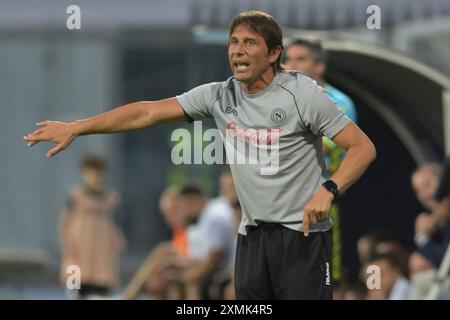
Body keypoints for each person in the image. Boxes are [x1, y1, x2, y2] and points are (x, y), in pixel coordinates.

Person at [24, 11, 376, 299]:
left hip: (303, 237)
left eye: (249, 43)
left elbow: (363, 148)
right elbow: (147, 112)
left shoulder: (302, 93)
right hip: (252, 238)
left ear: (273, 54)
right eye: (234, 42)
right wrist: (78, 127)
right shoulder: (219, 96)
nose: (237, 50)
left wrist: (327, 190)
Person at [284, 38, 358, 284]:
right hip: (288, 201)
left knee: (326, 279)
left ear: (319, 66)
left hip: (326, 200)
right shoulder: (282, 101)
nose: (292, 65)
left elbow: (320, 147)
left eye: (300, 59)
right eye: (288, 59)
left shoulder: (339, 102)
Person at [59, 155, 126, 299]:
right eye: (90, 173)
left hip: (102, 255)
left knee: (104, 290)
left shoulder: (111, 198)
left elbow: (115, 225)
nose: (94, 177)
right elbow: (65, 222)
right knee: (75, 291)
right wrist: (68, 248)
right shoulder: (75, 196)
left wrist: (117, 242)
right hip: (78, 253)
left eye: (98, 173)